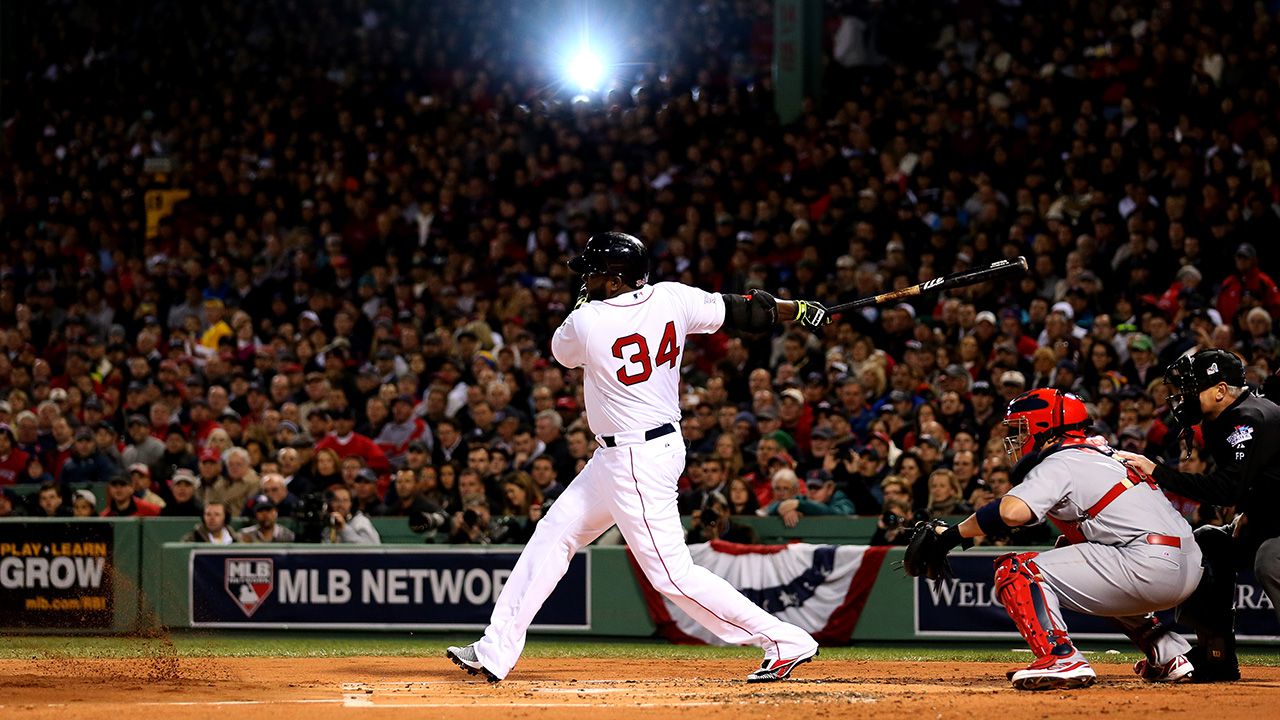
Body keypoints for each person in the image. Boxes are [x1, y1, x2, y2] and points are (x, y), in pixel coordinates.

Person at [448, 232, 830, 683]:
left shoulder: (586, 322)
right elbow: (745, 307)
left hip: (635, 457)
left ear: (615, 279)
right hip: (630, 453)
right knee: (553, 535)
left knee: (672, 574)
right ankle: (496, 649)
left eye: (593, 274)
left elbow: (560, 352)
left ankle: (783, 640)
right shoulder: (672, 297)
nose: (586, 280)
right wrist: (795, 309)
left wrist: (583, 303)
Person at [913, 388, 1202, 691]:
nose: (1016, 437)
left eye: (1020, 428)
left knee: (1017, 570)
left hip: (1148, 563)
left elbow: (1012, 512)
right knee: (1069, 550)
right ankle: (1168, 651)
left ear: (1042, 426)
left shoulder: (1063, 459)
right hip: (1186, 563)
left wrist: (953, 535)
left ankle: (1061, 657)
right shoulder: (1103, 453)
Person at [1116, 349, 1280, 682]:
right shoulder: (1229, 416)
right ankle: (1215, 654)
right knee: (1207, 542)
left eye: (1192, 388)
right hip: (1270, 517)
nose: (1183, 397)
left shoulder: (1248, 417)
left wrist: (1158, 471)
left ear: (1220, 390)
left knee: (1271, 560)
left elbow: (1226, 489)